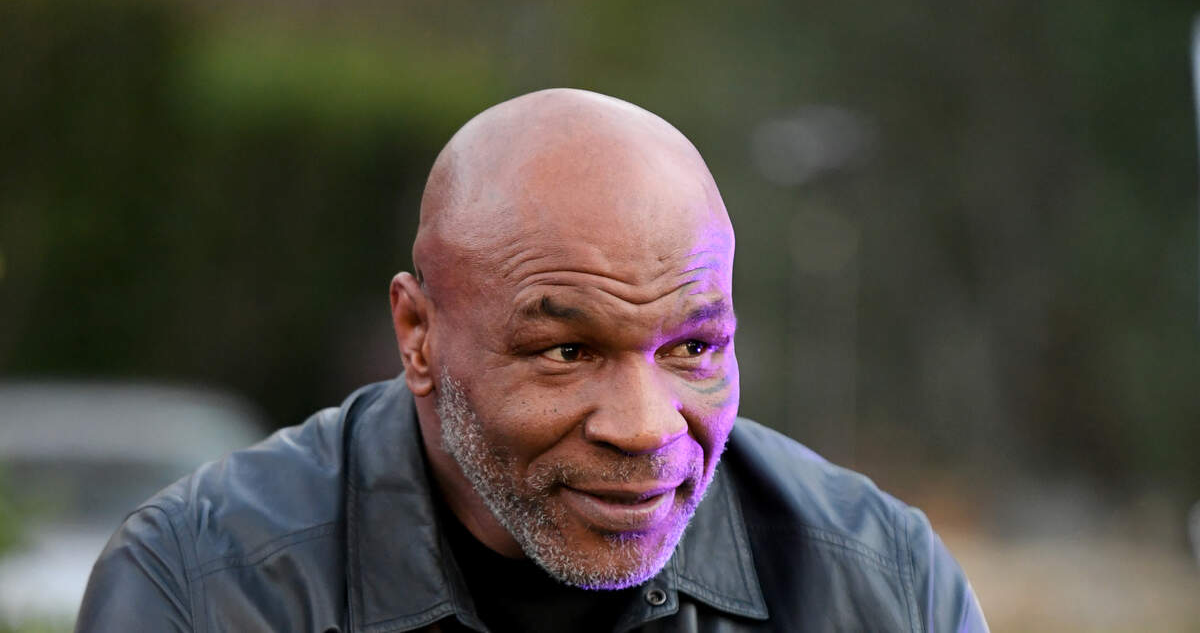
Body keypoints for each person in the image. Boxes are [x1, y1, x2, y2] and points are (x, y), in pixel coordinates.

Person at [76, 88, 988, 632]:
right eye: (567, 350)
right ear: (419, 334)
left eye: (693, 347)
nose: (646, 427)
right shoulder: (207, 587)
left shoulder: (879, 583)